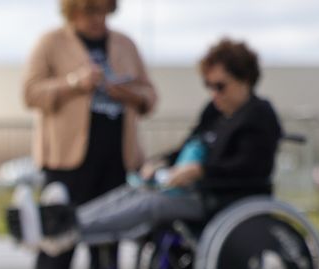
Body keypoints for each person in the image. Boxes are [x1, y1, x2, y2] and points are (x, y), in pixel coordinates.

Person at [19, 0, 155, 269]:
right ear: (73, 12)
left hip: (114, 161)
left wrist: (127, 93)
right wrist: (73, 84)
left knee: (107, 245)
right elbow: (30, 92)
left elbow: (149, 95)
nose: (97, 20)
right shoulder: (52, 43)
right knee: (57, 241)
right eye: (89, 13)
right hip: (66, 163)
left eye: (102, 12)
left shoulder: (124, 45)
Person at [59, 38, 282, 245]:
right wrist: (162, 162)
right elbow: (190, 144)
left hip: (223, 197)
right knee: (135, 188)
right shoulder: (214, 112)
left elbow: (249, 168)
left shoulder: (259, 115)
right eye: (209, 86)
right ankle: (66, 219)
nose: (214, 94)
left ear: (245, 80)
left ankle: (72, 229)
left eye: (220, 86)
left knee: (151, 203)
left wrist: (200, 171)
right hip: (195, 190)